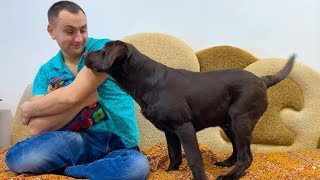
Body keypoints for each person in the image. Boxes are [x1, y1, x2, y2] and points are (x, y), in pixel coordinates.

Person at [5, 1, 150, 180]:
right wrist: (84, 100)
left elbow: (73, 94)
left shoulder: (105, 50)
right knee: (17, 158)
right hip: (77, 140)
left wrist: (29, 109)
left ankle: (71, 171)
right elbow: (36, 128)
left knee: (137, 167)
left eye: (83, 29)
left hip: (120, 143)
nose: (79, 38)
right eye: (70, 31)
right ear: (51, 31)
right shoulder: (46, 72)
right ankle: (94, 171)